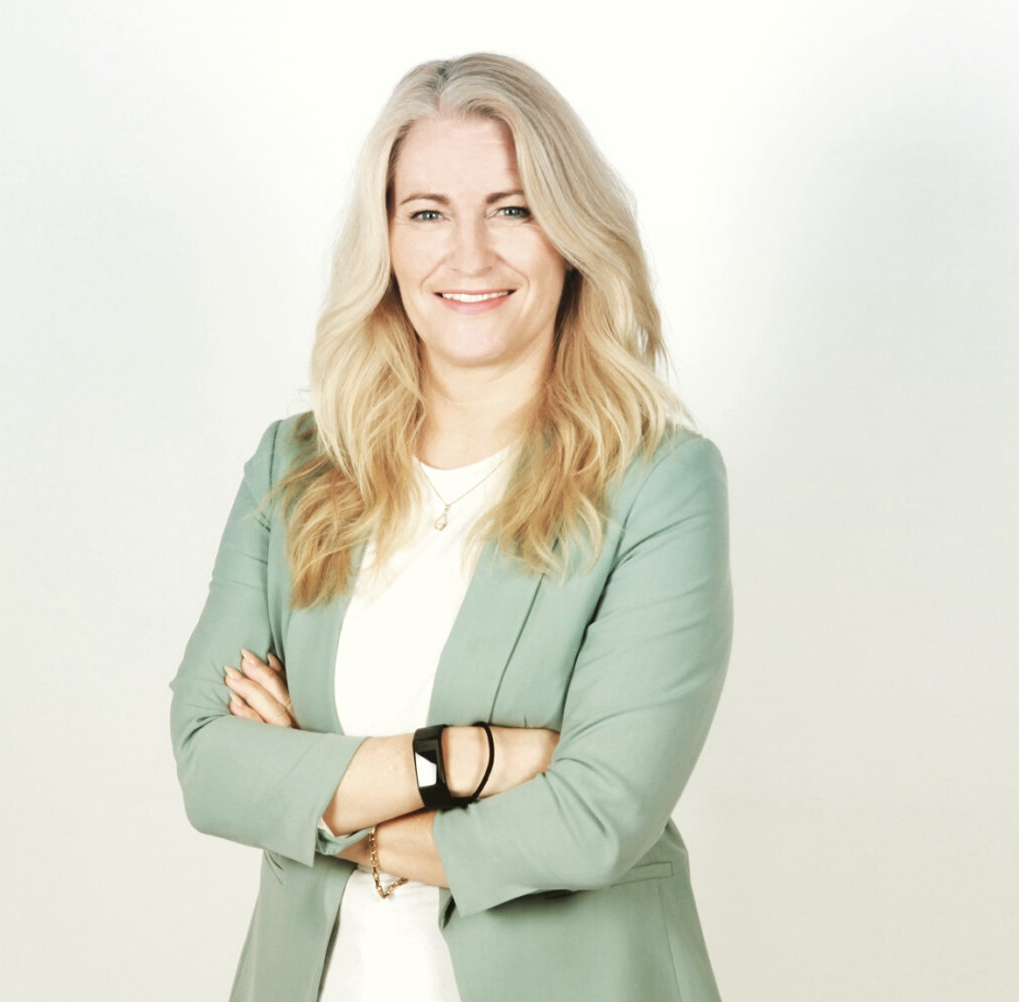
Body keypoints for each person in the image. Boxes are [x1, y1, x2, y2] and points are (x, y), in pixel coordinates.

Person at [170, 52, 733, 1002]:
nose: (469, 255)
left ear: (571, 234)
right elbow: (209, 765)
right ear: (387, 241)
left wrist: (310, 789)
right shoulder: (295, 467)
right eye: (427, 213)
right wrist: (472, 760)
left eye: (511, 209)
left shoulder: (659, 484)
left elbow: (593, 821)